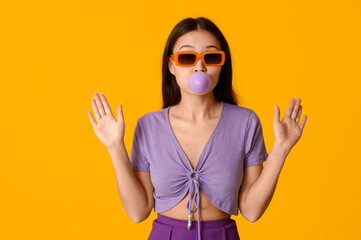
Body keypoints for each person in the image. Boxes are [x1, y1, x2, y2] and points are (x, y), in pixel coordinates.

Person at [87, 17, 307, 240]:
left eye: (211, 57)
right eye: (187, 57)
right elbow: (138, 212)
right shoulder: (149, 126)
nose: (200, 67)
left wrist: (281, 148)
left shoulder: (245, 123)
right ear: (171, 65)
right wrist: (115, 147)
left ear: (222, 64)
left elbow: (251, 211)